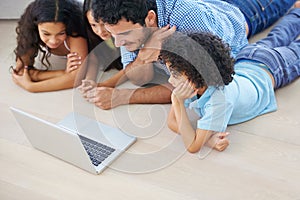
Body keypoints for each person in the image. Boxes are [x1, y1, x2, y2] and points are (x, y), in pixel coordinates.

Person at [82, 0, 296, 110]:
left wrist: (122, 97)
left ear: (150, 18)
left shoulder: (187, 22)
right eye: (112, 35)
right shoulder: (123, 26)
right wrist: (145, 54)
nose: (117, 43)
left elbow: (194, 87)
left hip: (244, 12)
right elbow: (140, 78)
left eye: (124, 36)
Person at [158, 8, 300, 153]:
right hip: (248, 57)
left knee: (292, 45)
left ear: (196, 74)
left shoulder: (218, 100)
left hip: (272, 67)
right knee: (280, 34)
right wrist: (207, 140)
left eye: (175, 75)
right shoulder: (196, 85)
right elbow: (172, 123)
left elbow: (193, 146)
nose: (170, 80)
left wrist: (177, 102)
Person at [11, 0, 88, 92]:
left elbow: (77, 77)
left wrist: (32, 87)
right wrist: (63, 73)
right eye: (46, 34)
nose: (53, 41)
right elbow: (22, 71)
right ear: (35, 27)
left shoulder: (75, 34)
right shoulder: (31, 33)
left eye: (61, 33)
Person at [75, 0, 123, 89]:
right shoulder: (93, 37)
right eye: (93, 25)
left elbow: (131, 66)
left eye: (104, 24)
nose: (100, 31)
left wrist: (102, 85)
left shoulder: (127, 34)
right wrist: (89, 80)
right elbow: (93, 58)